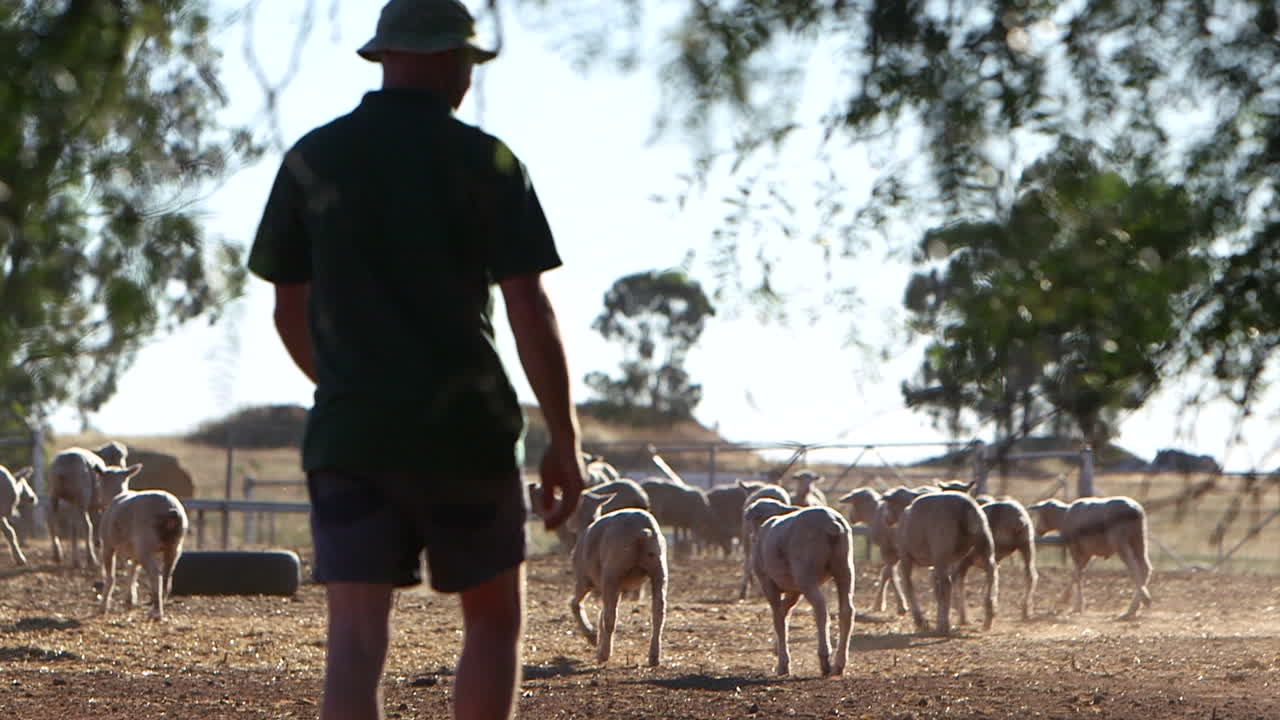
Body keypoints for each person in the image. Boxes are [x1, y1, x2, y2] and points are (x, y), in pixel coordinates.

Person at [246, 0, 586, 717]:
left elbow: (287, 306)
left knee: (356, 639)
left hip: (352, 435)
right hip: (468, 434)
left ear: (387, 56)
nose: (467, 77)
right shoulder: (486, 161)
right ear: (442, 60)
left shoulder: (314, 157)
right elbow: (530, 307)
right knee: (492, 625)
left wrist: (351, 386)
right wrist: (563, 437)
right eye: (465, 62)